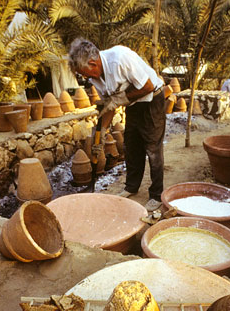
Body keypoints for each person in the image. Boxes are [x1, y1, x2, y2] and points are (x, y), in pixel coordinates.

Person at [68, 38, 166, 213]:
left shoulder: (120, 58)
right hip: (134, 105)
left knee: (152, 149)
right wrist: (102, 133)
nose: (84, 77)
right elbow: (109, 106)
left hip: (152, 101)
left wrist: (119, 99)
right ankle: (131, 187)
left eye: (83, 72)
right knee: (131, 147)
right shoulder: (95, 78)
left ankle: (157, 195)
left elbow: (148, 86)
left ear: (92, 63)